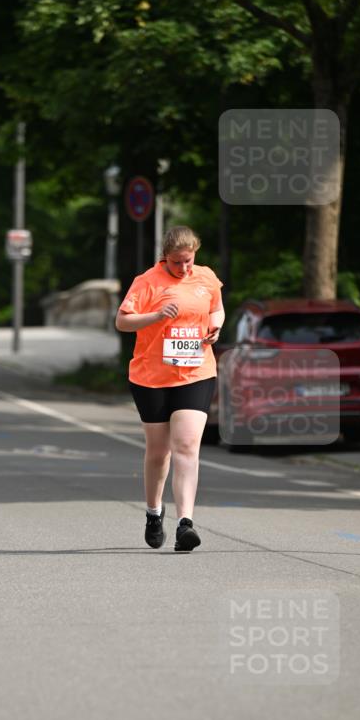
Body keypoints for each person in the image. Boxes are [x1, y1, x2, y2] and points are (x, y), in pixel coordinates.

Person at [115, 225, 225, 552]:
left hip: (197, 372)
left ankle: (185, 524)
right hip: (152, 377)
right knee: (159, 452)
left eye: (189, 261)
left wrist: (215, 327)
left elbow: (216, 308)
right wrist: (156, 315)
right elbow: (122, 321)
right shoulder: (147, 282)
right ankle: (153, 513)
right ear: (165, 257)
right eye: (178, 263)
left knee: (187, 445)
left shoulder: (206, 278)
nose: (184, 268)